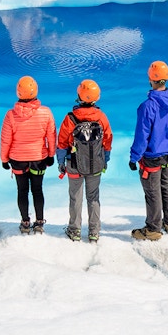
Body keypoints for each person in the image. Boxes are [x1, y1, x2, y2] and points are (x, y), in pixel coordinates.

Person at [129, 61, 168, 241]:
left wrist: (134, 157)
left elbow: (142, 136)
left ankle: (153, 229)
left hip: (152, 156)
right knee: (166, 187)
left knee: (152, 192)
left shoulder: (148, 106)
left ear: (150, 79)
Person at [57, 79, 113, 243]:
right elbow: (107, 141)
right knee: (93, 197)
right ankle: (94, 232)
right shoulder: (101, 117)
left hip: (74, 164)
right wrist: (105, 160)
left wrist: (61, 163)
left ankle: (74, 231)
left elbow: (61, 143)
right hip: (95, 165)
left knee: (75, 197)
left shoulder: (70, 118)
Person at [0, 76, 56, 234]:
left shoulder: (10, 115)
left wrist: (4, 159)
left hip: (17, 160)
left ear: (18, 92)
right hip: (39, 159)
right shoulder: (45, 113)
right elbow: (51, 136)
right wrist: (51, 154)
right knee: (38, 190)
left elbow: (5, 140)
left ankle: (25, 223)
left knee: (22, 190)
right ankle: (39, 222)